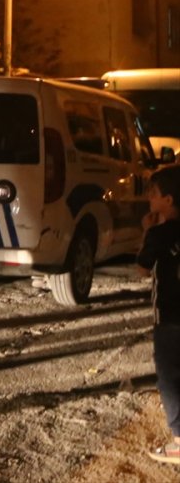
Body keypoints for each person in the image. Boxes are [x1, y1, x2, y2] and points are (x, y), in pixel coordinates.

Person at [137, 164, 180, 465]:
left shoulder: (159, 234)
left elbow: (142, 268)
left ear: (168, 199)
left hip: (170, 316)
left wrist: (146, 231)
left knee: (169, 377)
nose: (149, 198)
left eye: (153, 193)